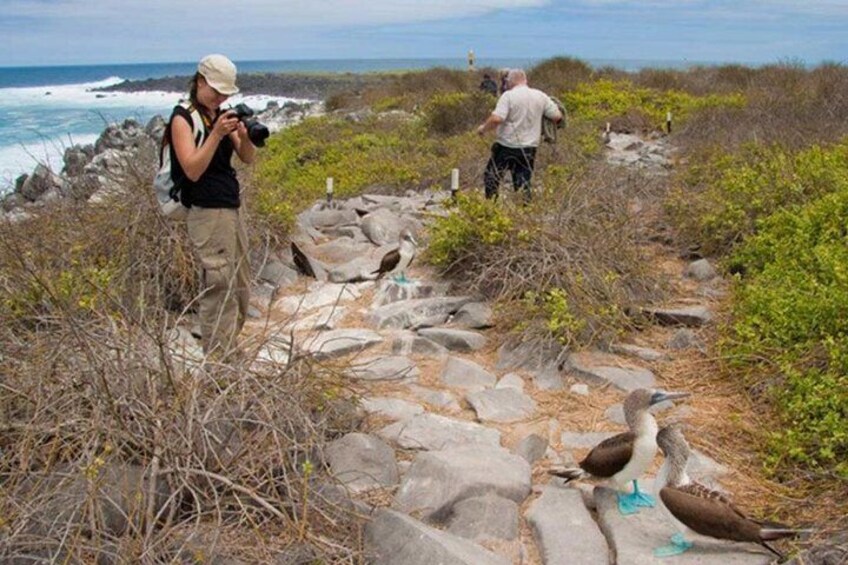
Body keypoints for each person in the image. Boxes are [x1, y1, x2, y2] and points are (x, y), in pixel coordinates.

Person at [169, 54, 256, 358]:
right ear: (199, 82)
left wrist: (243, 137)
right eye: (216, 91)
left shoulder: (221, 114)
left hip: (231, 207)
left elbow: (247, 157)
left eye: (225, 93)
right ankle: (220, 365)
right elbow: (192, 169)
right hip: (206, 212)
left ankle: (228, 349)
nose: (220, 97)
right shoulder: (183, 118)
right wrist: (216, 134)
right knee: (219, 288)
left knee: (241, 284)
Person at [476, 68, 562, 201]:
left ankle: (490, 207)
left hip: (506, 146)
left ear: (509, 82)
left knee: (491, 177)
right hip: (529, 148)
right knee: (523, 183)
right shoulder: (541, 95)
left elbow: (497, 119)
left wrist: (483, 129)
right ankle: (524, 212)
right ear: (525, 80)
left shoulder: (508, 96)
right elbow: (557, 116)